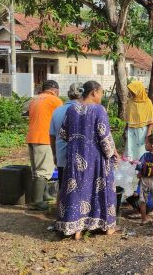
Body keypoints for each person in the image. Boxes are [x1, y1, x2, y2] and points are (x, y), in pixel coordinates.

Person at [56, 81, 119, 240]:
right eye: (101, 93)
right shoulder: (99, 110)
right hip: (95, 158)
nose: (101, 97)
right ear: (94, 93)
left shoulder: (71, 109)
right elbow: (105, 137)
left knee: (76, 189)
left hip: (75, 156)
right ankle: (106, 226)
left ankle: (76, 228)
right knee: (98, 189)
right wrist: (112, 153)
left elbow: (63, 134)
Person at [26, 80, 63, 210]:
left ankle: (44, 195)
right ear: (55, 90)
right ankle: (36, 202)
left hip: (31, 138)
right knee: (43, 171)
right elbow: (62, 119)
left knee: (37, 170)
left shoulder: (34, 99)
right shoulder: (54, 100)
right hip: (44, 139)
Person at [49, 83, 83, 193]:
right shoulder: (83, 110)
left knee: (63, 188)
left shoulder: (57, 111)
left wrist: (55, 154)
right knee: (78, 189)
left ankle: (60, 209)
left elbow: (52, 135)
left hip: (61, 156)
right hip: (80, 158)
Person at [125, 80, 153, 161]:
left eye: (133, 91)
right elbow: (129, 119)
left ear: (139, 91)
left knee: (141, 153)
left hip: (142, 132)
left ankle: (141, 171)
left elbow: (152, 120)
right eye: (131, 91)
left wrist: (148, 133)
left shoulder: (148, 102)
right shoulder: (130, 102)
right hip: (131, 131)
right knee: (130, 152)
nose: (131, 93)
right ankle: (130, 172)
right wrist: (125, 130)